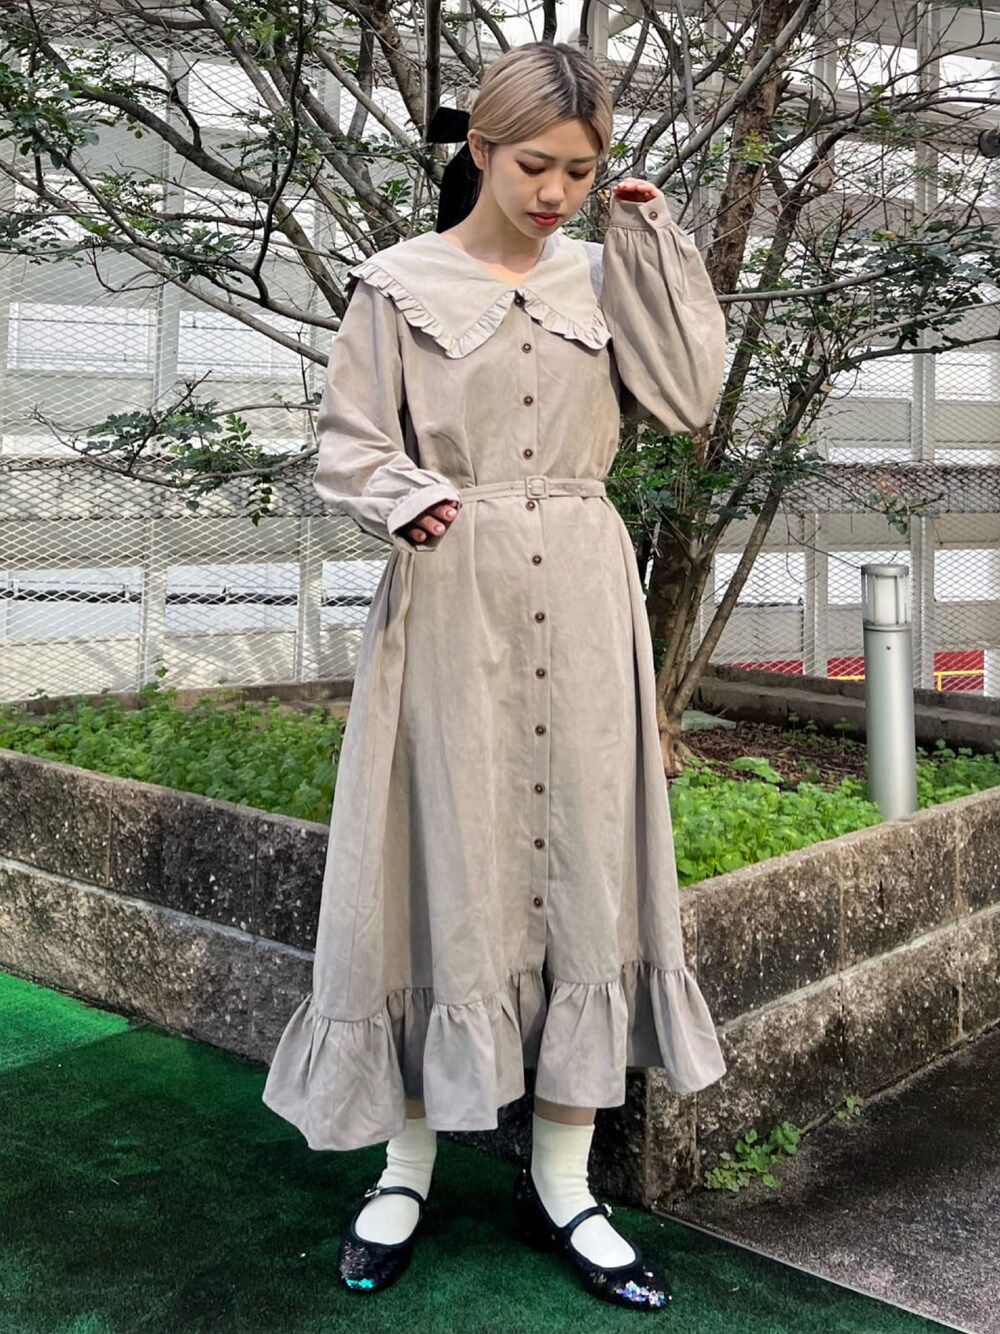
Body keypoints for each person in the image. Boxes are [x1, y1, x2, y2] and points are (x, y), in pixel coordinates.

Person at [262, 39, 728, 1311]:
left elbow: (686, 398)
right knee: (433, 864)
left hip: (582, 591)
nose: (556, 192)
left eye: (580, 169)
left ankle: (565, 1178)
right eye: (534, 165)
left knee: (585, 866)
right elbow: (349, 442)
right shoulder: (397, 283)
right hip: (451, 590)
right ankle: (405, 1165)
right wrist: (403, 493)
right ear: (479, 148)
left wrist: (650, 244)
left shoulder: (600, 272)